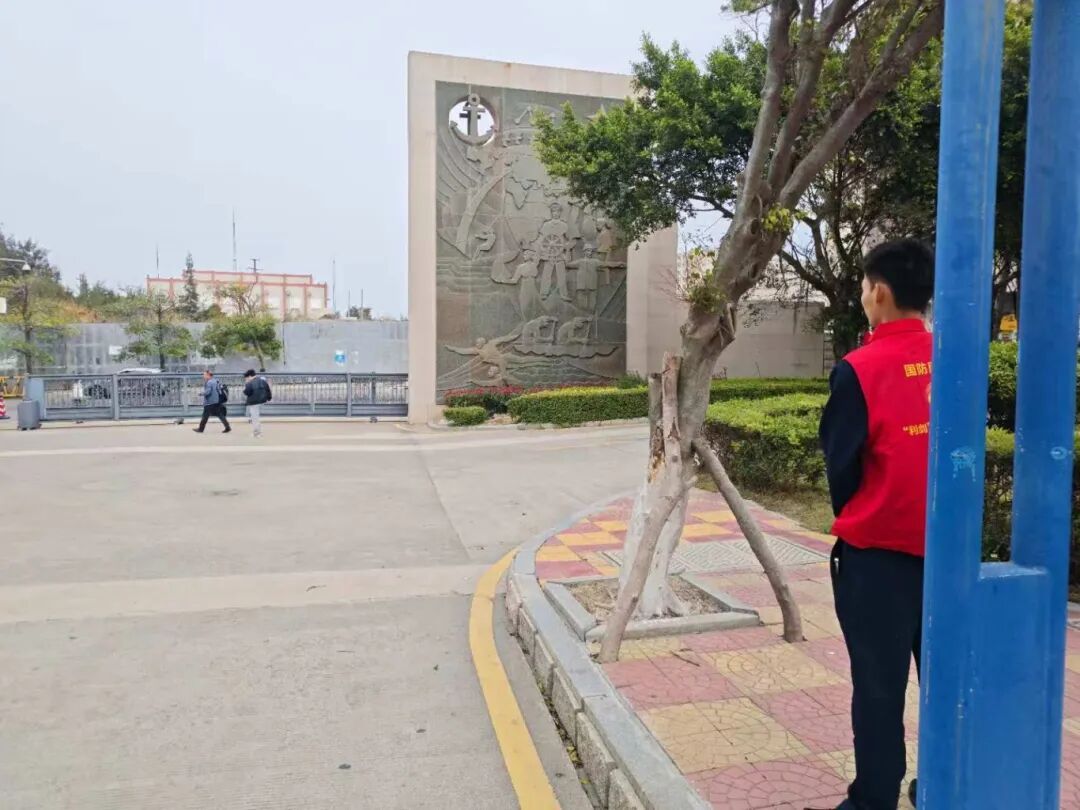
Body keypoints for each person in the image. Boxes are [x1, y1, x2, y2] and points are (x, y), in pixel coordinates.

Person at [817, 239, 934, 810]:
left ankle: (874, 800)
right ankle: (941, 784)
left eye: (865, 287)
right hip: (949, 558)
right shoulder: (956, 359)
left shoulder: (858, 369)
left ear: (879, 292)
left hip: (880, 563)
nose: (864, 296)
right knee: (945, 683)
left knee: (879, 689)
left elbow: (840, 467)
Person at [193, 370, 230, 434]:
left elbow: (208, 392)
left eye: (204, 375)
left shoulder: (209, 382)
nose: (203, 376)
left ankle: (201, 429)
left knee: (205, 416)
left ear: (208, 375)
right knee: (220, 414)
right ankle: (227, 427)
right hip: (217, 401)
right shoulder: (216, 381)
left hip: (210, 402)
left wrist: (200, 393)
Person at [242, 369, 272, 438]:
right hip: (262, 401)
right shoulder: (263, 381)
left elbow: (247, 392)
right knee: (256, 417)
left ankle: (257, 433)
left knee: (255, 418)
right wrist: (269, 398)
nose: (246, 379)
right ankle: (258, 432)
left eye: (247, 378)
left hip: (254, 402)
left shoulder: (249, 383)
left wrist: (246, 384)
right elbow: (268, 390)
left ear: (249, 376)